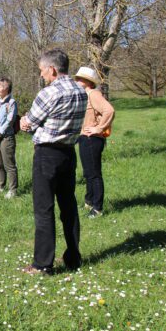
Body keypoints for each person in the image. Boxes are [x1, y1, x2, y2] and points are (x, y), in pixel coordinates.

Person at [19, 49, 87, 274]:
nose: (42, 75)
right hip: (68, 153)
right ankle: (73, 256)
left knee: (44, 209)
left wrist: (23, 122)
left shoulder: (48, 93)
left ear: (52, 69)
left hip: (47, 154)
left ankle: (42, 263)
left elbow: (30, 121)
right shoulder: (81, 90)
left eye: (42, 71)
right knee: (68, 206)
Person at [74, 67, 115, 218]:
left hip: (92, 139)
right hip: (84, 137)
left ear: (88, 82)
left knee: (94, 174)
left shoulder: (94, 94)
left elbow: (109, 110)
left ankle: (97, 208)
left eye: (80, 79)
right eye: (77, 78)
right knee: (88, 173)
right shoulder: (85, 95)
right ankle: (89, 201)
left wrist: (99, 128)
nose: (77, 81)